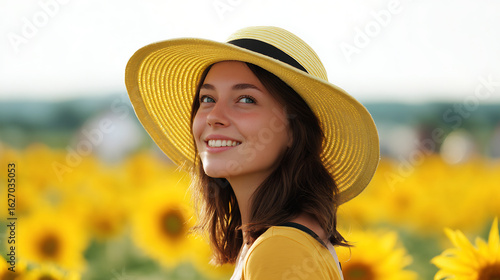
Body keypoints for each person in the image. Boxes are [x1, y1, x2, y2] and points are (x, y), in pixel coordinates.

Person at [125, 26, 379, 280]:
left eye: (246, 99)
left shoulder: (280, 249)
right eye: (207, 99)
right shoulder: (278, 242)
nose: (214, 116)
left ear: (293, 130)